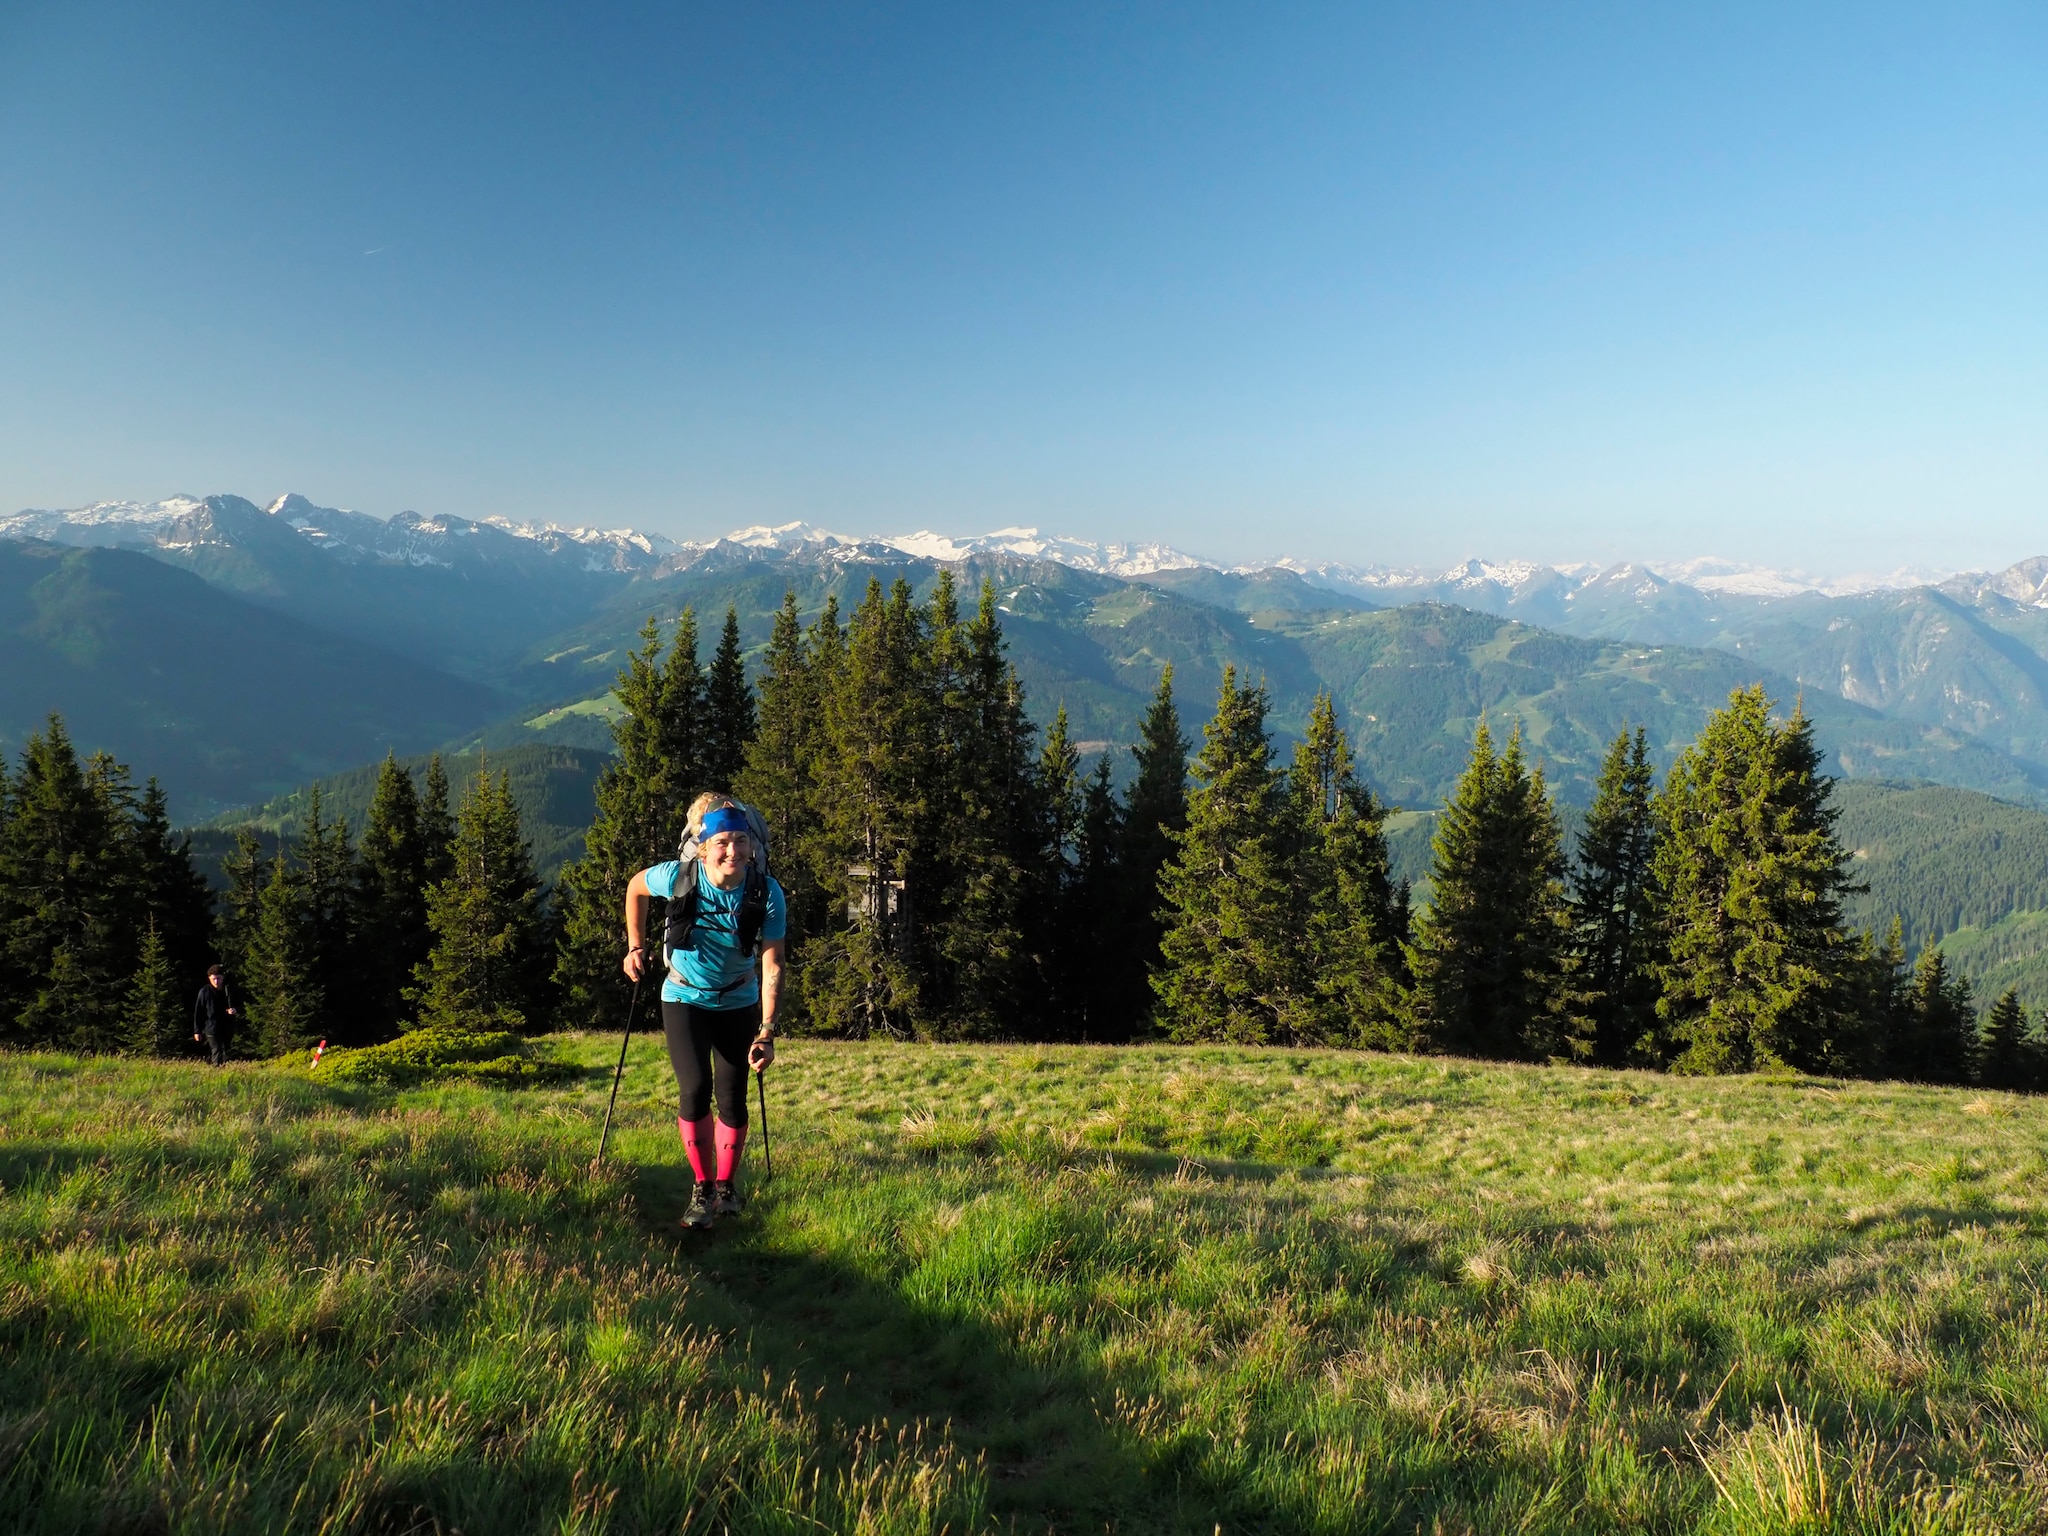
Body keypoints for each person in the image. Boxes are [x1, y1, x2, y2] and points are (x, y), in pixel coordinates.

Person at [623, 793, 786, 1230]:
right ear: (703, 847)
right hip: (684, 997)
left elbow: (772, 962)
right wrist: (634, 947)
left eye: (740, 841)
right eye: (722, 843)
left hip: (739, 999)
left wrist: (767, 1031)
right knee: (695, 1089)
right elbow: (636, 887)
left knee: (732, 1098)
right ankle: (702, 1187)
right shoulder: (677, 877)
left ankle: (727, 1189)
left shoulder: (766, 892)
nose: (733, 850)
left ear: (751, 844)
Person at [192, 963, 238, 1067]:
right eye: (214, 979)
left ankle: (223, 1070)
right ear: (209, 979)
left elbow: (239, 1003)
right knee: (216, 1049)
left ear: (223, 978)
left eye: (218, 978)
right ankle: (217, 1071)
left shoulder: (229, 990)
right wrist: (197, 1031)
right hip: (211, 1027)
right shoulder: (204, 992)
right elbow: (199, 1012)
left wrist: (234, 1010)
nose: (216, 981)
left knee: (226, 1050)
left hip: (227, 1026)